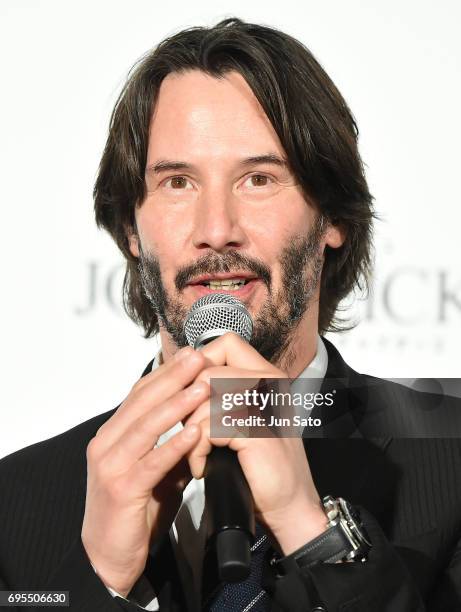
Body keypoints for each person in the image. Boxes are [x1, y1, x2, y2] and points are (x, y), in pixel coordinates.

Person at [0, 17, 460, 612]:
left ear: (335, 218)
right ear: (131, 228)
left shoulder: (449, 466)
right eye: (177, 183)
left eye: (259, 178)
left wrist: (313, 534)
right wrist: (97, 582)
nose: (216, 230)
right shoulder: (16, 503)